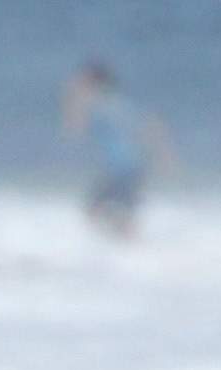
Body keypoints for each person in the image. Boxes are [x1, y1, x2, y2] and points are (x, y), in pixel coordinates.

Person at [63, 60, 171, 238]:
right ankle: (134, 251)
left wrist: (70, 98)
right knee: (123, 214)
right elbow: (152, 126)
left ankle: (124, 248)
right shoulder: (121, 103)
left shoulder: (95, 105)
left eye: (82, 81)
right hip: (136, 166)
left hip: (118, 168)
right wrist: (164, 157)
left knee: (93, 210)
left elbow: (74, 131)